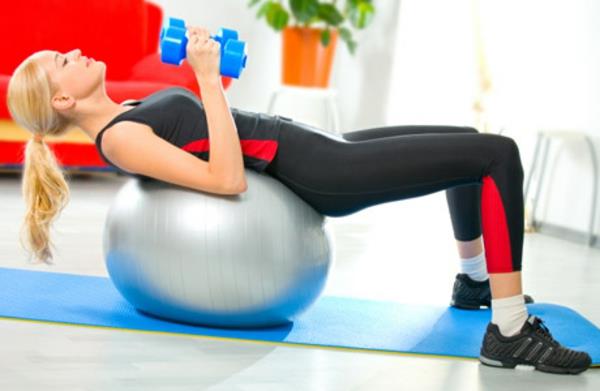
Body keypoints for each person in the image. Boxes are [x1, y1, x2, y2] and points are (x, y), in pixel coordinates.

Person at [6, 26, 591, 375]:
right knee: (499, 154)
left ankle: (474, 284)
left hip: (312, 142)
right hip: (321, 171)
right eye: (63, 61)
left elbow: (217, 134)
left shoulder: (126, 117)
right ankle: (509, 332)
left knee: (467, 143)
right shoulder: (122, 139)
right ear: (61, 99)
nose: (75, 52)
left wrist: (216, 81)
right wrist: (206, 80)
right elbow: (226, 180)